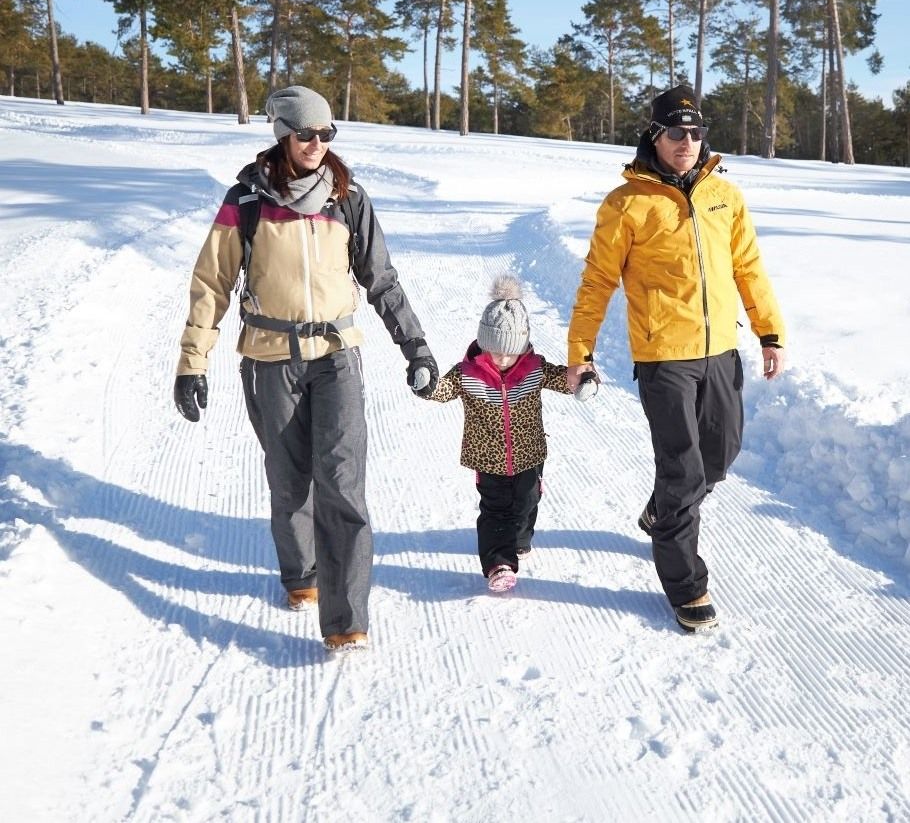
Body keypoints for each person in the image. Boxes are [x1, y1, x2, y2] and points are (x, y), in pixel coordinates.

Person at [173, 86, 438, 653]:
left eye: (326, 134)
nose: (317, 144)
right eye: (306, 134)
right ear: (282, 135)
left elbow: (381, 279)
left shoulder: (348, 198)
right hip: (271, 361)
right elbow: (210, 284)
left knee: (343, 484)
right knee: (290, 481)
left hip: (338, 357)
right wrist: (192, 362)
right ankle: (301, 575)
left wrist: (415, 346)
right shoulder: (246, 201)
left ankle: (347, 621)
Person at [566, 86, 785, 633]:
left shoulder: (724, 196)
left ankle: (662, 510)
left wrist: (769, 332)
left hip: (719, 351)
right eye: (675, 132)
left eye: (694, 133)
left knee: (720, 455)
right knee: (683, 469)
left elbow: (749, 267)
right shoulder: (627, 203)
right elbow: (597, 281)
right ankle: (686, 584)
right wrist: (580, 352)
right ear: (655, 135)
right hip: (664, 357)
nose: (686, 142)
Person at [417, 275, 594, 592]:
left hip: (529, 454)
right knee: (495, 510)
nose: (501, 359)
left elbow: (561, 379)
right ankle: (499, 562)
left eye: (508, 353)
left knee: (527, 501)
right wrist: (427, 384)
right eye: (494, 351)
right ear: (483, 344)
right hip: (486, 458)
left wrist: (582, 380)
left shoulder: (534, 368)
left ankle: (520, 537)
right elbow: (443, 390)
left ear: (522, 348)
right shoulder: (467, 373)